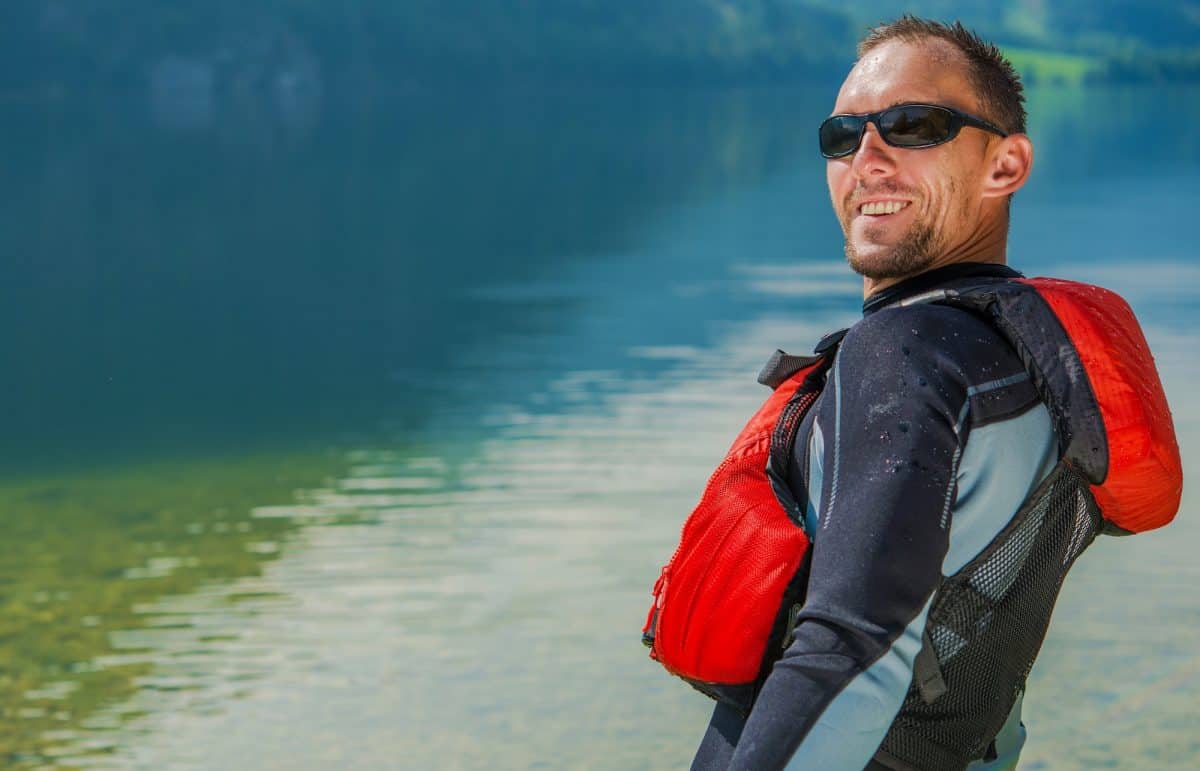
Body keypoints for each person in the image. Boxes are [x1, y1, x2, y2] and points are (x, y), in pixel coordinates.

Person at [687, 16, 1092, 771]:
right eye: (843, 135)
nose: (866, 158)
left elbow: (851, 651)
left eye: (913, 125)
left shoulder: (909, 354)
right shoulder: (1018, 353)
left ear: (1005, 165)